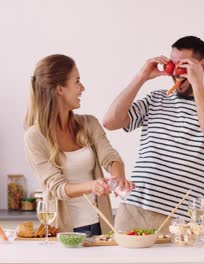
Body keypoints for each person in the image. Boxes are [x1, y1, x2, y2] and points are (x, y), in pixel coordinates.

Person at [103, 36, 204, 232]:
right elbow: (110, 121)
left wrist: (196, 83)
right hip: (134, 209)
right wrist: (141, 76)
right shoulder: (156, 100)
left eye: (184, 66)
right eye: (174, 65)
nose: (176, 72)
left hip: (181, 220)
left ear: (202, 65)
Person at [24, 54, 134, 237]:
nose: (83, 88)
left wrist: (119, 179)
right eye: (77, 81)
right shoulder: (35, 137)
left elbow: (110, 157)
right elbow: (58, 188)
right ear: (60, 89)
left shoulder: (89, 124)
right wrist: (93, 186)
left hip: (100, 224)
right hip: (65, 231)